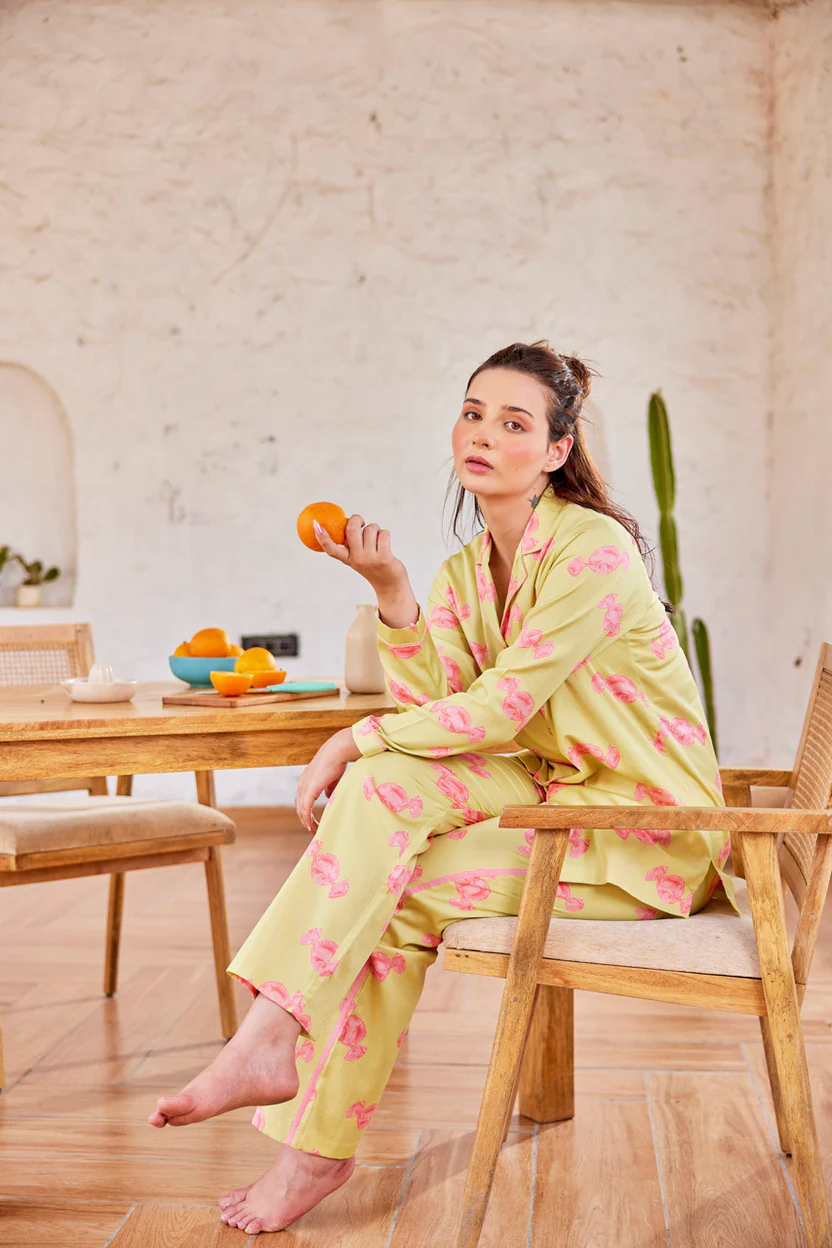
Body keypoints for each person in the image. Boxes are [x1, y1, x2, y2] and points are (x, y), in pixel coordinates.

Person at [148, 341, 734, 1234]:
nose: (484, 434)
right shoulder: (466, 571)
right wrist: (392, 590)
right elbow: (439, 714)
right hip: (552, 799)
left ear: (557, 450)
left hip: (644, 833)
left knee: (394, 865)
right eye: (472, 413)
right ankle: (274, 1046)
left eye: (514, 422)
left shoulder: (593, 552)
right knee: (385, 795)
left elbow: (498, 711)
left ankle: (305, 1126)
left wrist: (352, 736)